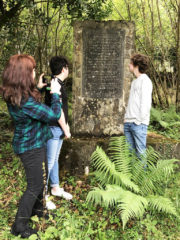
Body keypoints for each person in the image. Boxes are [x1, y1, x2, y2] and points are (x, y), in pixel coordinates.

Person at [1, 54, 62, 238]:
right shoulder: (25, 102)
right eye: (33, 70)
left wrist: (39, 88)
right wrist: (56, 93)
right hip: (31, 147)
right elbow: (53, 115)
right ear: (24, 74)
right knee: (35, 185)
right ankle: (19, 226)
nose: (35, 72)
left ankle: (37, 211)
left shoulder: (16, 94)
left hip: (33, 142)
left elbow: (30, 104)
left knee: (41, 181)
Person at [44, 56, 73, 210]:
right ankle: (43, 195)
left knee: (54, 159)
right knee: (49, 162)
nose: (68, 70)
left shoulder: (56, 83)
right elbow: (58, 111)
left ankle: (55, 188)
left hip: (58, 129)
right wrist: (66, 129)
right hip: (54, 128)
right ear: (64, 69)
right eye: (68, 68)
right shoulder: (55, 84)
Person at [124, 53, 153, 161]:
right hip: (129, 123)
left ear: (136, 65)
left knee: (140, 154)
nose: (128, 65)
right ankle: (131, 178)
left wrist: (138, 121)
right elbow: (132, 103)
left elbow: (145, 104)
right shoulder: (135, 81)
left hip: (138, 124)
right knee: (130, 155)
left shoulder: (145, 81)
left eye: (130, 63)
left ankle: (141, 178)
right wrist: (127, 119)